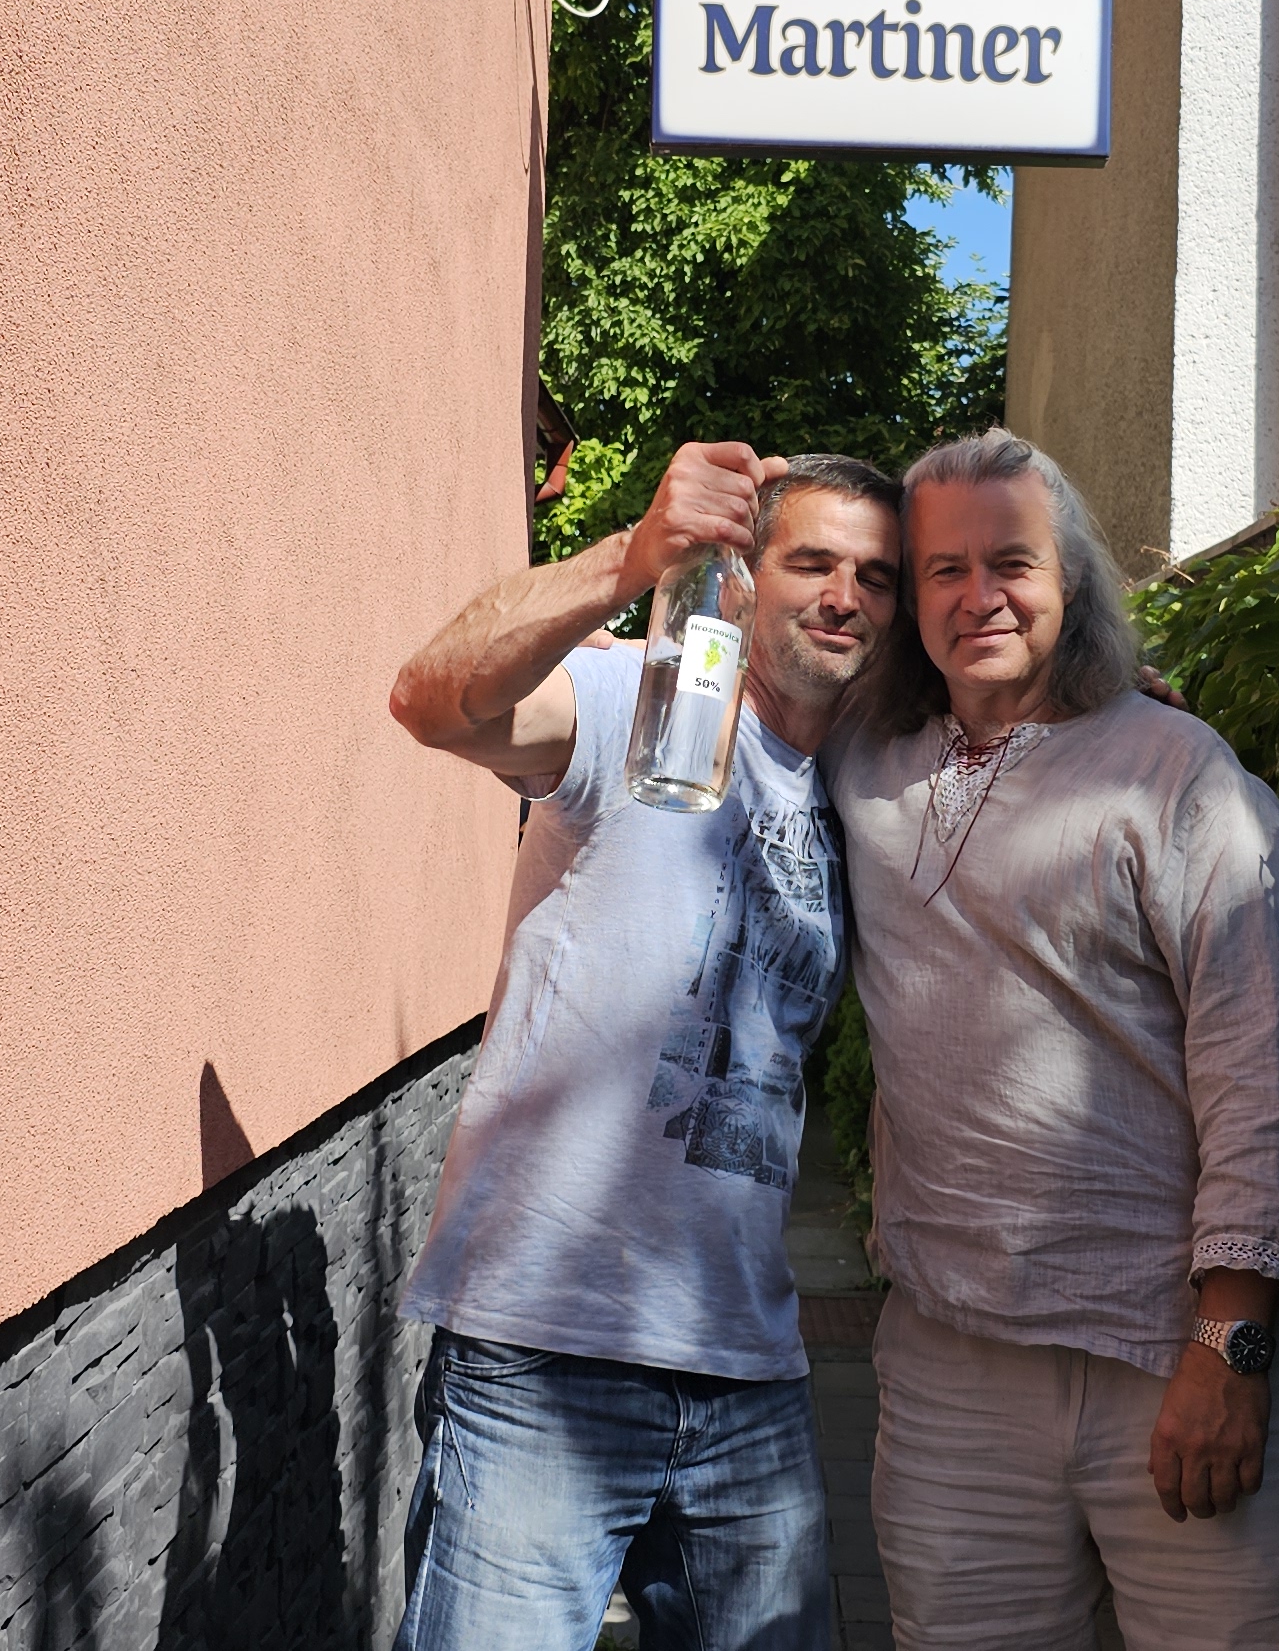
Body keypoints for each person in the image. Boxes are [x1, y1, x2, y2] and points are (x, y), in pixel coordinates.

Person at [381, 441, 906, 1651]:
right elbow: (430, 697)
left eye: (874, 577)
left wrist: (1100, 710)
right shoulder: (652, 699)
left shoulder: (860, 783)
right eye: (812, 562)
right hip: (544, 1350)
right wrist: (631, 556)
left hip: (746, 1366)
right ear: (745, 573)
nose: (843, 595)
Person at [829, 429, 1279, 1650]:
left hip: (1168, 1351)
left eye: (1012, 561)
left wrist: (1229, 1343)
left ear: (1071, 582)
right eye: (943, 568)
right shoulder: (861, 759)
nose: (979, 596)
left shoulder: (1177, 773)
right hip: (950, 1374)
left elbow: (1264, 1067)